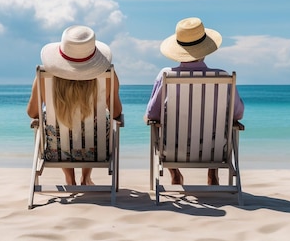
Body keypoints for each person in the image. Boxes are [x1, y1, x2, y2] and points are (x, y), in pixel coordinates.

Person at [145, 17, 244, 186]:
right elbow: (238, 113)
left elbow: (153, 113)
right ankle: (213, 175)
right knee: (221, 128)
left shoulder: (166, 75)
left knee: (153, 122)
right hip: (215, 150)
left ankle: (175, 174)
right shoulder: (222, 76)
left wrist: (148, 117)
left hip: (173, 149)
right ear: (204, 49)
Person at [26, 25, 122, 186]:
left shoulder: (43, 76)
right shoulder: (107, 75)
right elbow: (116, 112)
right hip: (96, 152)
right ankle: (85, 178)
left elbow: (32, 112)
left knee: (57, 126)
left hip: (56, 152)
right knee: (97, 124)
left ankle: (69, 179)